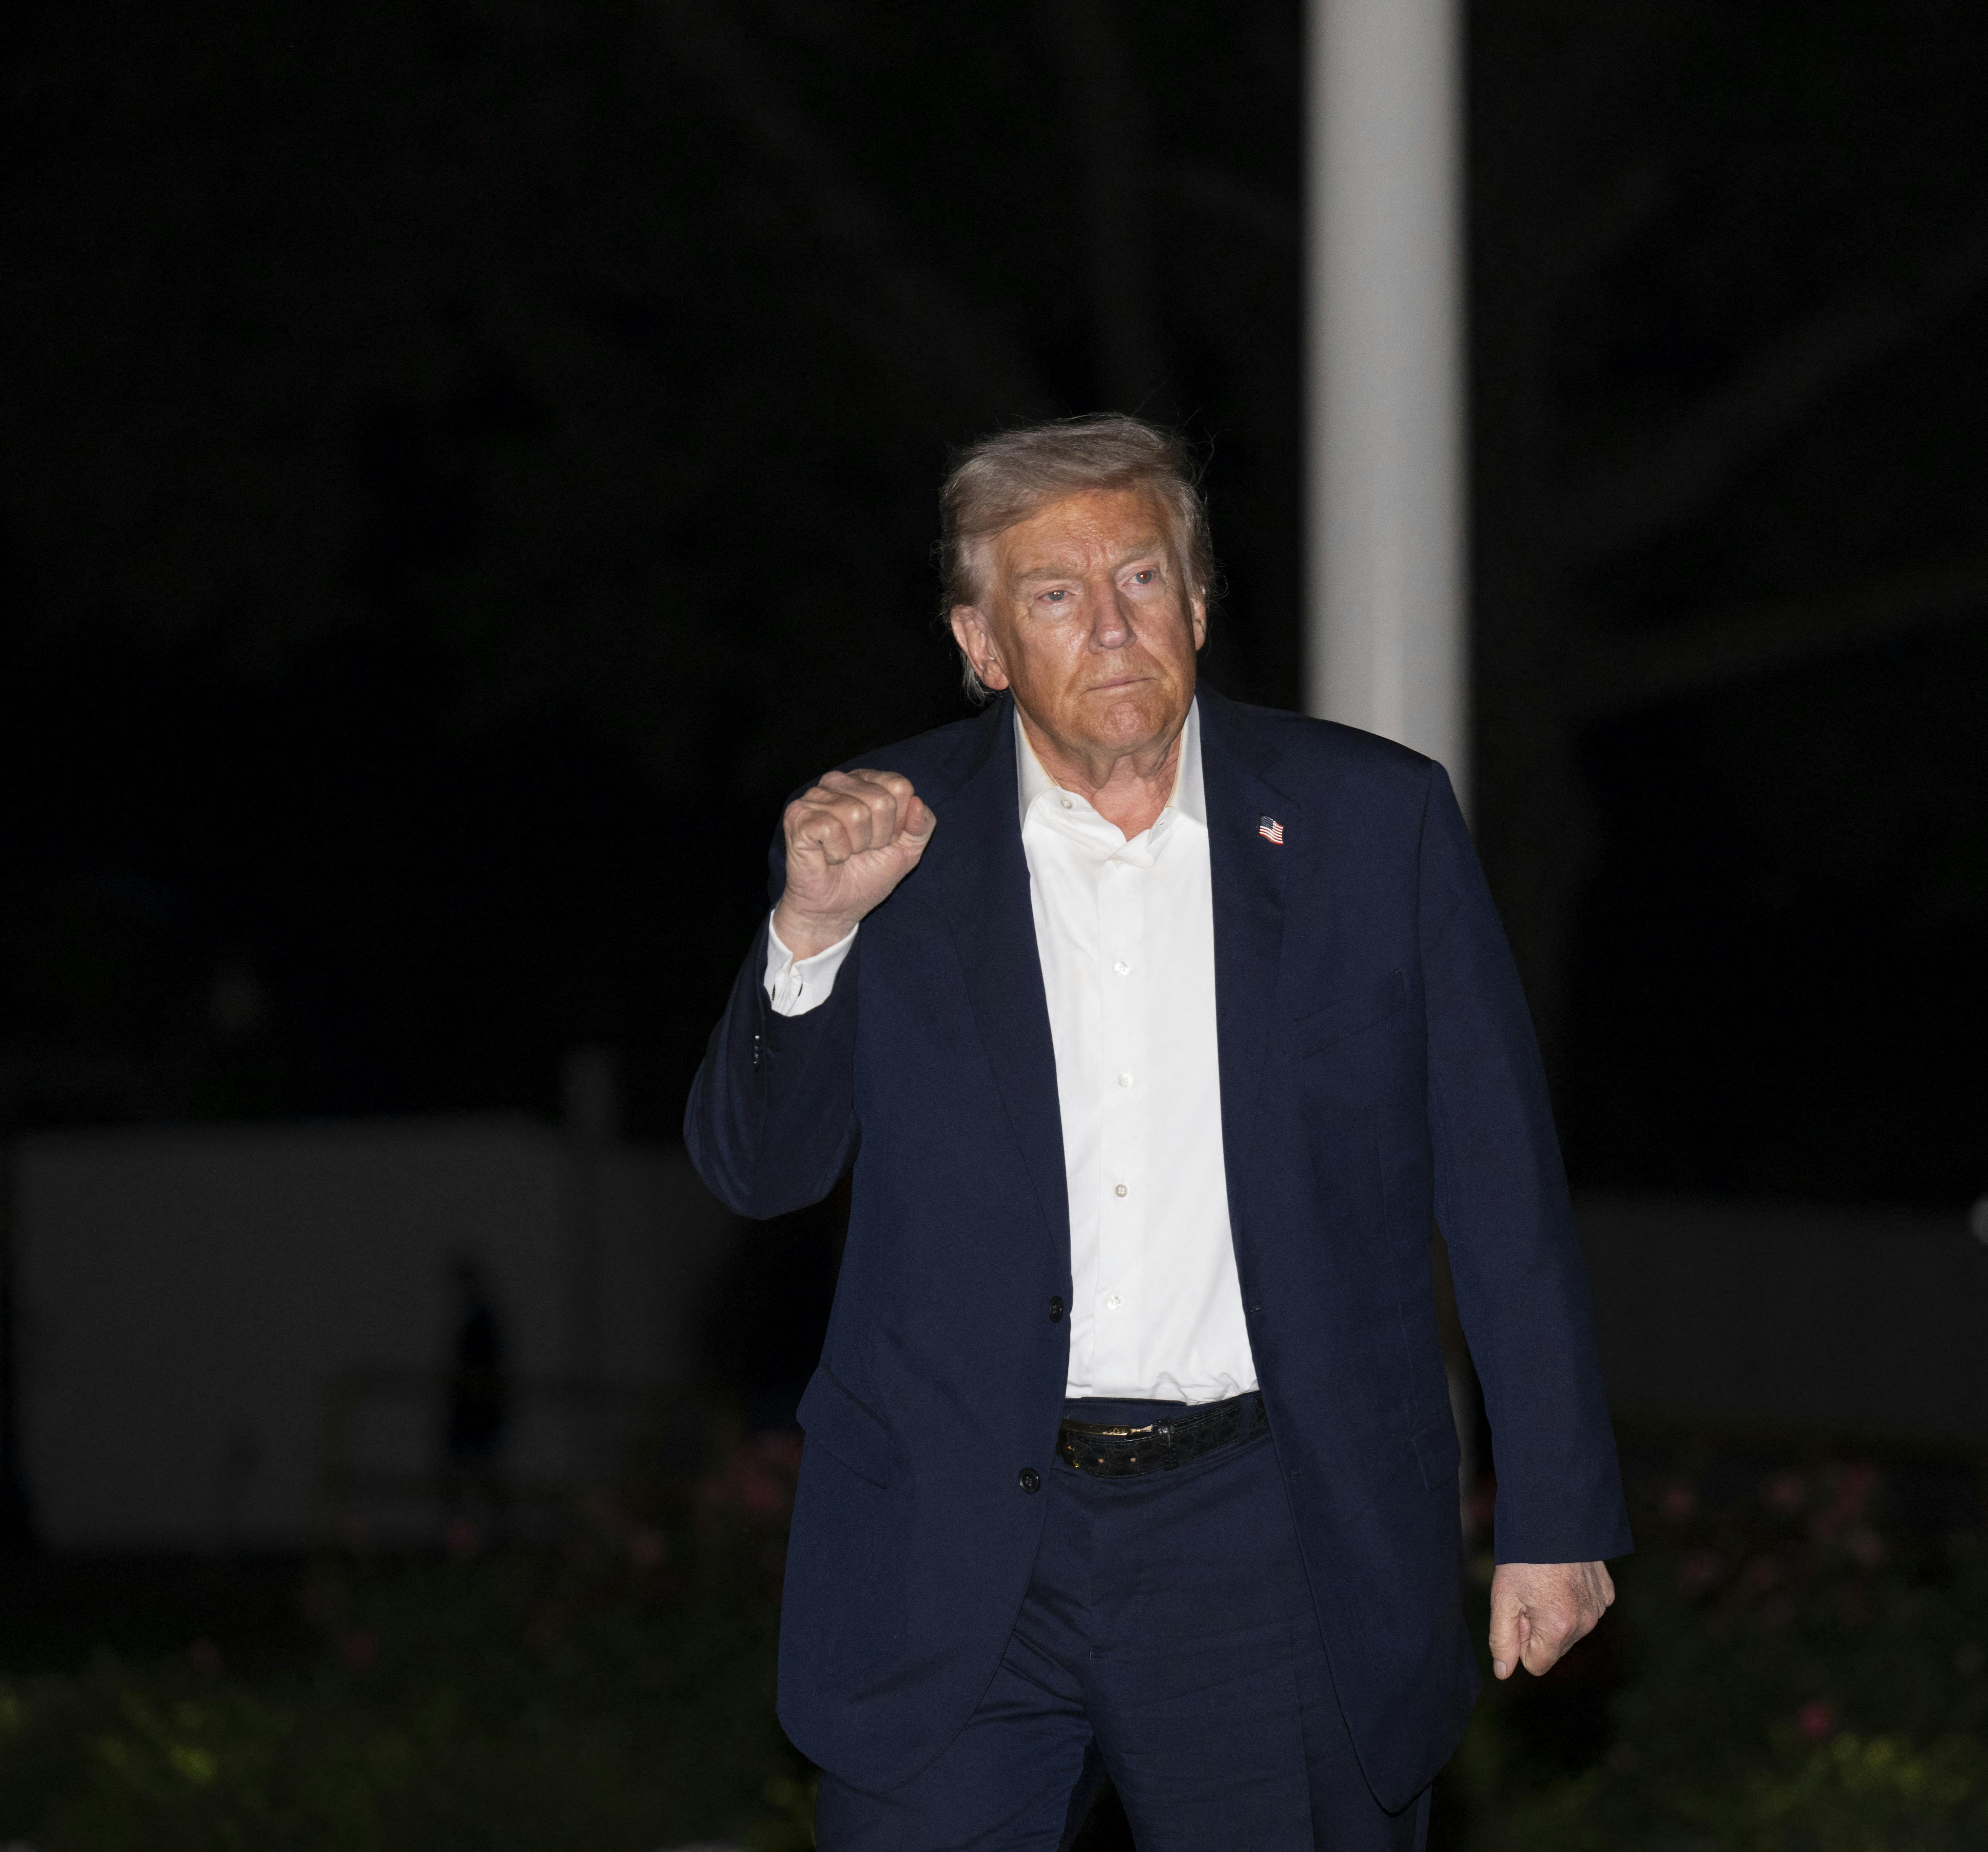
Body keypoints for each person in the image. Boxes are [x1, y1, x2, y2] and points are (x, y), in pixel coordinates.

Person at [686, 416, 1628, 1849]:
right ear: (982, 643)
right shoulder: (884, 840)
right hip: (957, 1552)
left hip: (1267, 1544)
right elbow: (761, 1172)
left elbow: (1501, 1186)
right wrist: (808, 931)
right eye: (1055, 594)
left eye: (1140, 579)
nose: (1111, 624)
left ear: (1194, 605)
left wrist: (1554, 1509)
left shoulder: (1370, 824)